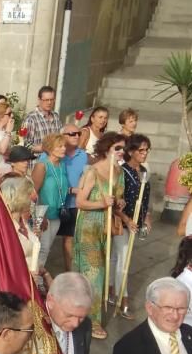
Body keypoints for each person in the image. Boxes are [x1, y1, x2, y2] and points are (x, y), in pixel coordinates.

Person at [73, 131, 125, 339]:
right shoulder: (92, 172)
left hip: (105, 229)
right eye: (117, 148)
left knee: (95, 272)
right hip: (88, 227)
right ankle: (92, 320)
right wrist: (102, 204)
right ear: (106, 149)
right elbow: (80, 202)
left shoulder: (118, 172)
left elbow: (117, 200)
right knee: (95, 274)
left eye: (123, 148)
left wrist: (120, 203)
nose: (121, 152)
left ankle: (79, 310)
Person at [0, 177, 42, 302]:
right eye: (28, 195)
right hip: (3, 295)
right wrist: (25, 276)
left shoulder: (22, 222)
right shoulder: (1, 229)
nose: (32, 199)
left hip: (26, 289)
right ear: (19, 198)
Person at [112, 133, 152, 319]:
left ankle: (112, 291)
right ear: (131, 151)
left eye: (146, 150)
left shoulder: (143, 170)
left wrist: (148, 216)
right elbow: (116, 201)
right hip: (122, 222)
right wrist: (127, 219)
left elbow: (145, 198)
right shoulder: (122, 171)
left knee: (117, 258)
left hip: (136, 222)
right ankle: (123, 300)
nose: (144, 153)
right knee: (123, 261)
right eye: (141, 150)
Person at [31, 132, 68, 270]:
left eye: (64, 145)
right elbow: (33, 193)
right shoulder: (42, 166)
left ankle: (37, 274)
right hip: (43, 213)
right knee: (42, 248)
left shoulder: (62, 165)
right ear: (49, 148)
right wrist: (41, 215)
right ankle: (36, 278)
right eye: (59, 146)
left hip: (57, 213)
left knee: (47, 248)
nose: (64, 148)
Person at [59, 123, 89, 271]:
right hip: (55, 203)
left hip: (74, 204)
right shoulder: (54, 152)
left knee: (69, 238)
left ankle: (69, 271)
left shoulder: (82, 155)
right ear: (63, 136)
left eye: (78, 133)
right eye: (72, 134)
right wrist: (70, 189)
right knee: (45, 241)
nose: (77, 136)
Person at [23, 86, 61, 154]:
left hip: (54, 161)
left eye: (51, 99)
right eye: (46, 100)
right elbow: (25, 144)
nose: (49, 103)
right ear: (39, 100)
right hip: (38, 161)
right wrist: (43, 148)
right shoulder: (31, 119)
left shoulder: (56, 116)